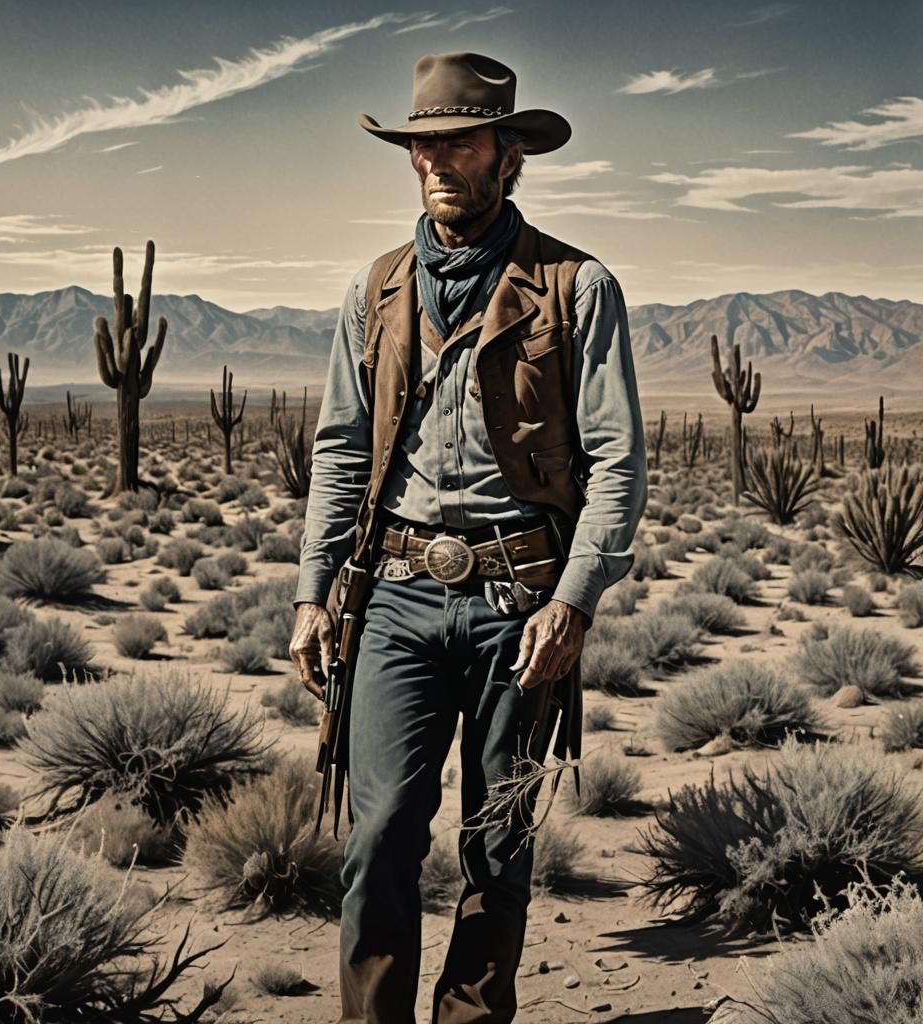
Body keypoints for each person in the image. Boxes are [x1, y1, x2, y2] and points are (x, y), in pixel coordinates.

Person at [289, 51, 648, 1024]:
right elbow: (336, 449)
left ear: (506, 153)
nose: (437, 160)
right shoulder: (376, 290)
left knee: (498, 843)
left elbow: (616, 460)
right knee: (380, 836)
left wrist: (574, 599)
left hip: (520, 603)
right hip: (395, 595)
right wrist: (311, 592)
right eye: (422, 144)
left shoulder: (575, 287)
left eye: (458, 140)